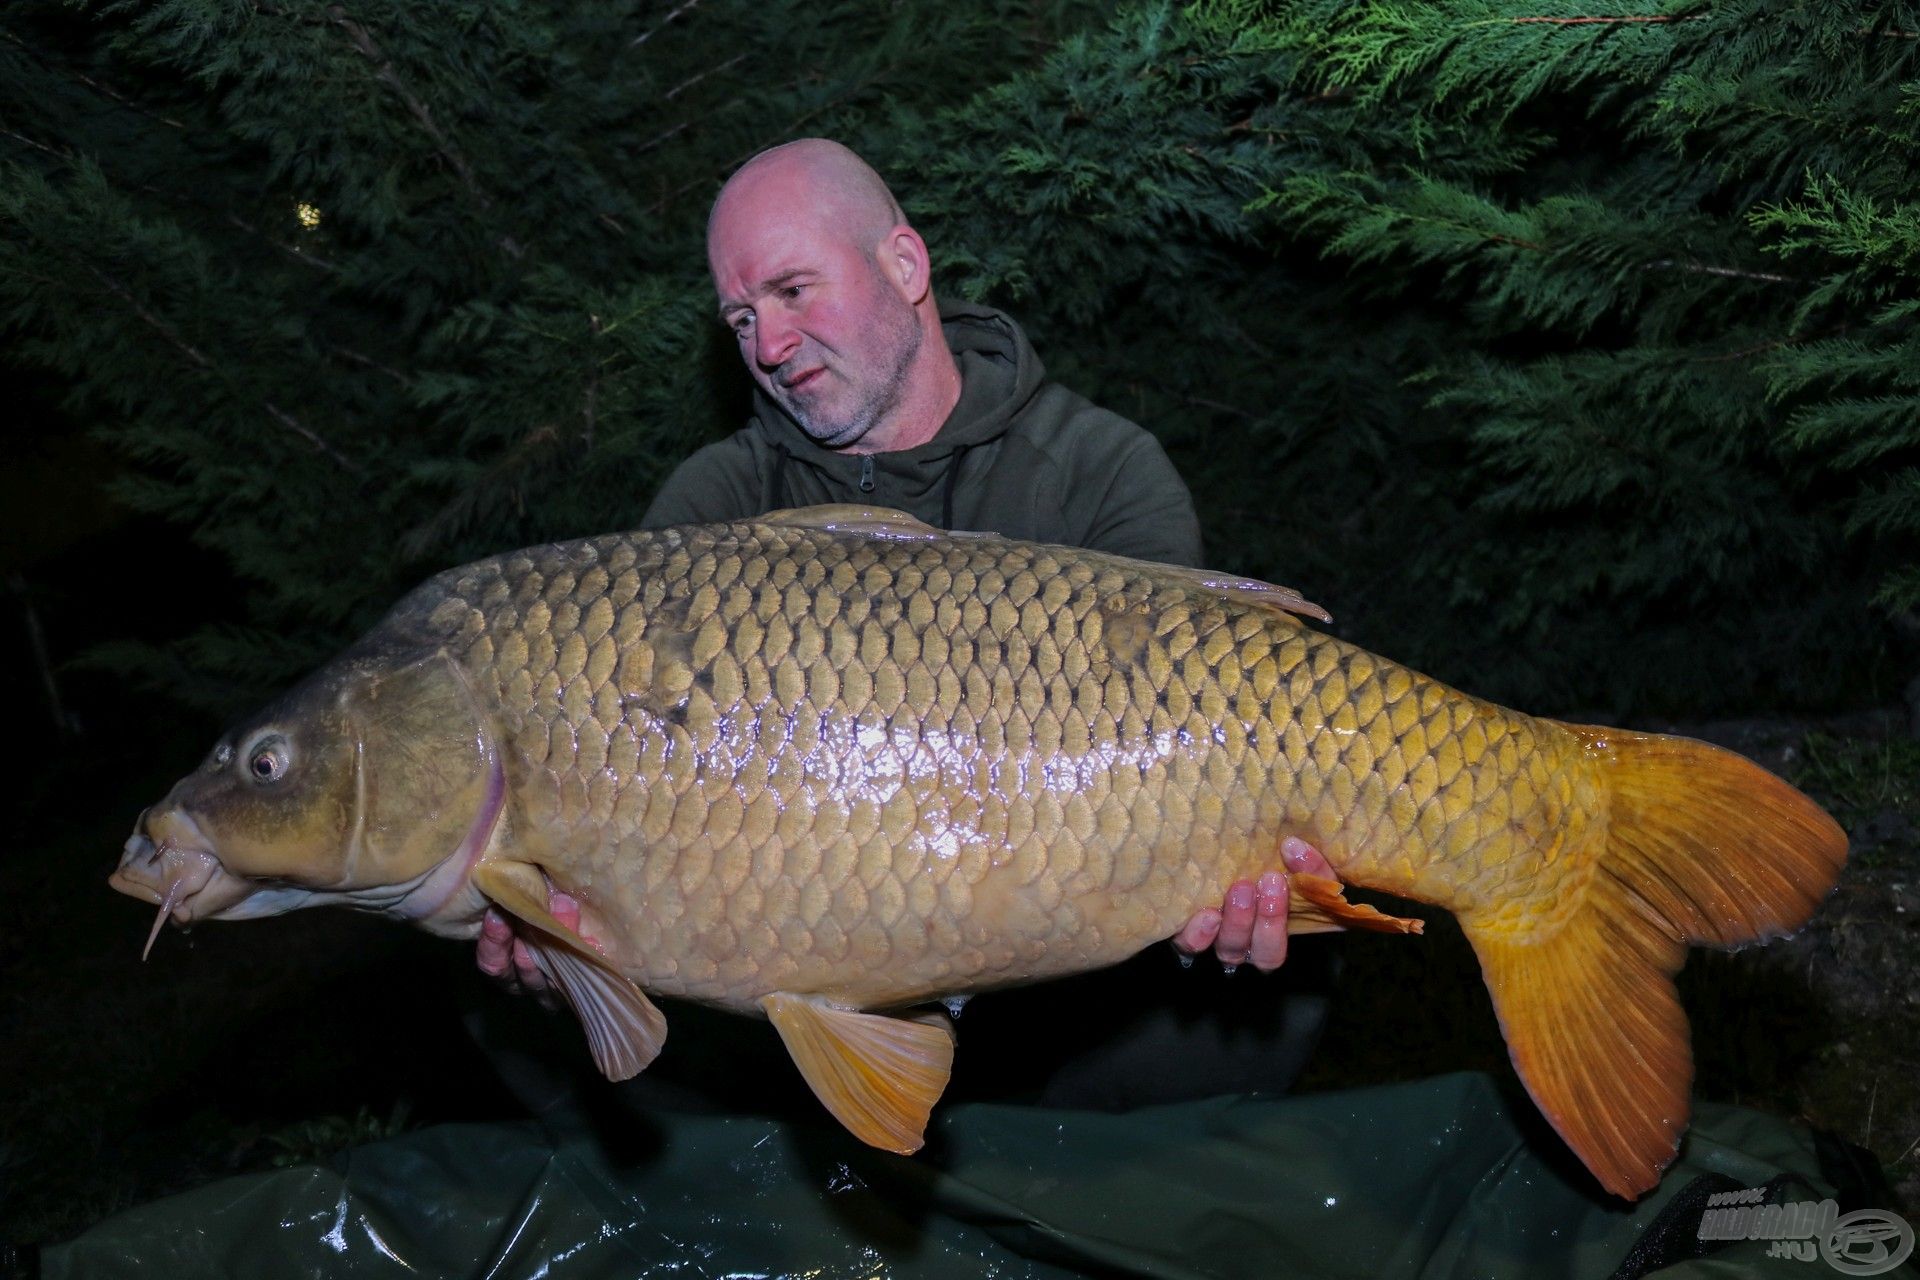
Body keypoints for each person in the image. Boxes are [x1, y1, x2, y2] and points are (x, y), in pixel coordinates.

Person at [477, 138, 1338, 1112]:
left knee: (1251, 1004)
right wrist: (565, 943)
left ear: (905, 265)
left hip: (1072, 1005)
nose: (769, 345)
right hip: (789, 1013)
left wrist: (1230, 899)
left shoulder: (1098, 471)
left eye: (795, 291)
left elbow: (1191, 767)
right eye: (742, 316)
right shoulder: (717, 504)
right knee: (523, 1049)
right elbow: (632, 798)